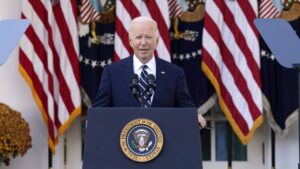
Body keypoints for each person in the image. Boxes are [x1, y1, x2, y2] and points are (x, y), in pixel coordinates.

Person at [92, 16, 206, 127]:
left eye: (148, 37)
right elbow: (100, 110)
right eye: (138, 37)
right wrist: (93, 120)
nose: (143, 42)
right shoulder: (112, 73)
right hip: (123, 142)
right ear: (130, 41)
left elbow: (185, 108)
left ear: (156, 41)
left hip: (164, 142)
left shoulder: (174, 73)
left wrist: (194, 117)